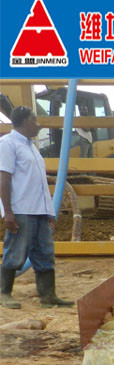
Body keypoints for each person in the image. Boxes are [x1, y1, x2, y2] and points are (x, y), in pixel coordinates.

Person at [0, 105, 72, 309]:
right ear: (24, 122)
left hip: (39, 210)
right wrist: (8, 212)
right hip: (22, 209)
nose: (38, 125)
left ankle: (48, 296)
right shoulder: (8, 144)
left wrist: (49, 211)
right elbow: (3, 179)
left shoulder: (31, 147)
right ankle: (4, 293)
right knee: (16, 252)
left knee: (45, 253)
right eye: (34, 120)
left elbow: (40, 183)